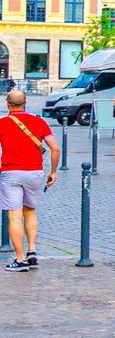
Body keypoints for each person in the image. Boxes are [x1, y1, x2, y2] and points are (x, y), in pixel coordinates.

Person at [0, 88, 59, 270]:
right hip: (34, 172)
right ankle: (32, 250)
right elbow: (54, 149)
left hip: (10, 172)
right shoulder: (39, 122)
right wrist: (54, 172)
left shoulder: (2, 123)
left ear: (7, 104)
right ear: (25, 102)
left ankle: (19, 259)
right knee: (30, 211)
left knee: (14, 216)